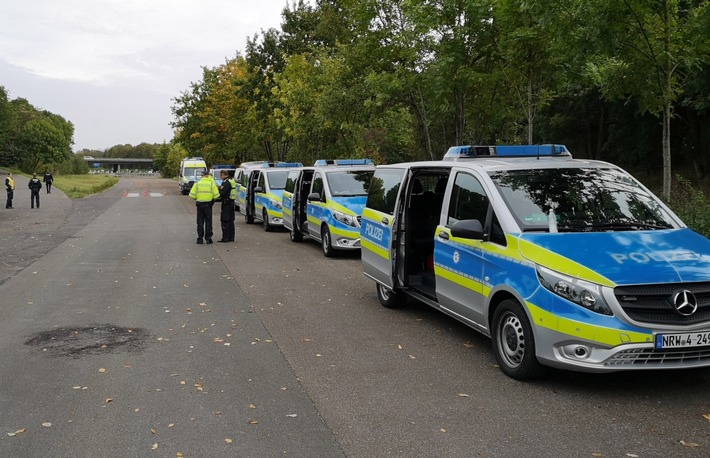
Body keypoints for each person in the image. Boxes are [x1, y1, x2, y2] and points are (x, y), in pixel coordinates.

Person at [189, 169, 219, 244]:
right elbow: (217, 195)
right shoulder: (211, 184)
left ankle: (200, 238)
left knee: (200, 222)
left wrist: (197, 198)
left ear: (202, 176)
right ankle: (208, 238)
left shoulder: (197, 183)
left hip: (200, 204)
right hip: (208, 205)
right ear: (208, 175)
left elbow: (191, 195)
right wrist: (212, 199)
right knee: (208, 222)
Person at [217, 170, 235, 242]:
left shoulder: (226, 183)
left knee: (225, 220)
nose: (220, 177)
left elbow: (222, 193)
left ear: (224, 175)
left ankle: (225, 238)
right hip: (231, 202)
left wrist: (218, 189)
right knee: (231, 220)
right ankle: (231, 237)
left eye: (221, 175)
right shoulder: (231, 181)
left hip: (226, 203)